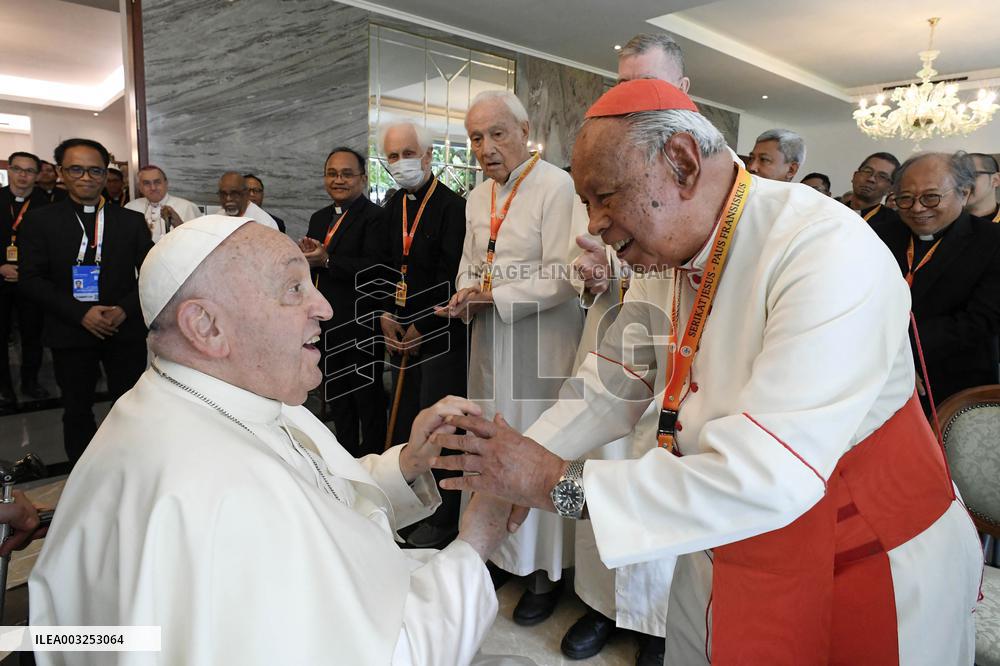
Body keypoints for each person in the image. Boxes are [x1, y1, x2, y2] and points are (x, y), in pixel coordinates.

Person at [433, 79, 982, 665]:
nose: (593, 225)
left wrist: (553, 483)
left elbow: (769, 476)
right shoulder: (667, 246)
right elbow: (616, 378)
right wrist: (519, 465)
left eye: (605, 198)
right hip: (721, 537)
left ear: (683, 163)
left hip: (861, 554)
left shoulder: (825, 249)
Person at [28, 216, 516, 666]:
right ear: (206, 326)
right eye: (293, 288)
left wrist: (407, 463)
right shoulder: (218, 495)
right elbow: (386, 656)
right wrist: (479, 536)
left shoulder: (219, 394)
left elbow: (313, 490)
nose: (324, 307)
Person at [436, 90, 587, 627]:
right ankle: (497, 552)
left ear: (525, 131)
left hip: (540, 344)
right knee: (488, 439)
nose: (485, 148)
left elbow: (565, 274)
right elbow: (469, 261)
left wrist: (495, 297)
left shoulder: (556, 185)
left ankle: (542, 572)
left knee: (533, 444)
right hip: (488, 342)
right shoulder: (478, 196)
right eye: (476, 138)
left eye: (497, 134)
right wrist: (464, 293)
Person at [18, 138, 152, 465]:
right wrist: (80, 314)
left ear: (105, 174)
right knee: (77, 409)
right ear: (61, 173)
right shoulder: (40, 221)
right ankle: (84, 474)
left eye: (95, 170)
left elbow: (152, 273)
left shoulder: (130, 221)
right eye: (76, 169)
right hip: (70, 330)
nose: (86, 177)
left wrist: (124, 309)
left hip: (124, 330)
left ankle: (130, 468)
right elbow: (31, 279)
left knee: (131, 406)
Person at [376, 121, 469, 549]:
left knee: (438, 425)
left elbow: (452, 273)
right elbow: (382, 267)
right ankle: (407, 505)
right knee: (405, 420)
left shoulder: (453, 207)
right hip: (399, 331)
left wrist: (421, 325)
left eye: (408, 154)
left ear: (429, 156)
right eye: (393, 156)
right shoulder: (391, 205)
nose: (400, 163)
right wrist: (384, 313)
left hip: (440, 333)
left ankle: (443, 516)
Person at [872, 151, 1000, 408]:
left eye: (931, 197)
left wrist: (903, 354)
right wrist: (885, 357)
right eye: (905, 198)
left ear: (964, 193)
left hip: (953, 382)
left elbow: (980, 320)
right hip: (875, 369)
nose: (917, 208)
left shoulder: (993, 241)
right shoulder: (878, 235)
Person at [302, 147, 386, 457]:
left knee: (367, 399)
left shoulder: (376, 218)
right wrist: (309, 256)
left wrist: (327, 260)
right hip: (327, 324)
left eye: (347, 174)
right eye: (332, 173)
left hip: (361, 325)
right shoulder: (319, 218)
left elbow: (377, 269)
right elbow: (317, 265)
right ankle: (345, 458)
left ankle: (374, 460)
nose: (338, 180)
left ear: (363, 179)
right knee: (338, 398)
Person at [1, 152, 52, 403]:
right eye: (17, 169)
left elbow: (52, 244)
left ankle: (30, 382)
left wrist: (27, 269)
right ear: (9, 170)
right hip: (0, 276)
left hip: (32, 279)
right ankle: (4, 387)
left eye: (29, 170)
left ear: (37, 174)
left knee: (32, 335)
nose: (23, 175)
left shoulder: (47, 204)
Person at [125, 165, 201, 242]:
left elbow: (198, 241)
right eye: (147, 183)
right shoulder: (130, 208)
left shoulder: (187, 207)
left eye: (157, 182)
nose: (153, 188)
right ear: (140, 187)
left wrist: (179, 225)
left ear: (166, 183)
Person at [848, 152, 901, 225]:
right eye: (867, 171)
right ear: (854, 176)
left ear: (890, 188)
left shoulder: (896, 224)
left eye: (882, 176)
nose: (871, 179)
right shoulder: (833, 209)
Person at [967, 152, 1000, 222]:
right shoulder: (947, 221)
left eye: (971, 175)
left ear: (995, 180)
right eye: (958, 176)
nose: (961, 182)